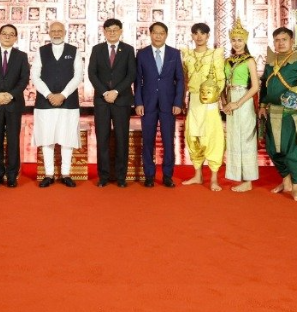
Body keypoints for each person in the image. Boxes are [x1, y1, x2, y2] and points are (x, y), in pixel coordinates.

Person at [259, 27, 297, 201]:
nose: (280, 43)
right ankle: (286, 181)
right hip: (272, 112)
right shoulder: (270, 62)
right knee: (274, 149)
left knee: (296, 150)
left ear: (292, 41)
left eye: (284, 39)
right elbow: (264, 86)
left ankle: (296, 187)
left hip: (292, 113)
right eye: (277, 40)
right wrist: (262, 105)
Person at [32, 21, 82, 188]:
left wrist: (63, 95)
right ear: (49, 32)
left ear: (65, 32)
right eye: (53, 30)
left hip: (68, 102)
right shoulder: (41, 51)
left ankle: (66, 174)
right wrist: (48, 95)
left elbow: (78, 76)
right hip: (45, 102)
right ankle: (49, 174)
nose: (56, 33)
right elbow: (35, 76)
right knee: (47, 138)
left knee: (67, 138)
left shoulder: (74, 51)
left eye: (59, 30)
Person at [135, 22, 184, 187]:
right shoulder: (142, 54)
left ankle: (168, 175)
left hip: (168, 104)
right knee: (147, 141)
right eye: (155, 33)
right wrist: (138, 102)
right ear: (150, 34)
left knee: (168, 140)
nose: (158, 36)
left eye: (161, 33)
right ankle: (149, 175)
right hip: (147, 104)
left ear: (166, 35)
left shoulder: (174, 54)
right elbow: (138, 81)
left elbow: (180, 80)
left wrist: (178, 102)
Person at [87, 18, 135, 188]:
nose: (112, 32)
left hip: (121, 100)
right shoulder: (97, 49)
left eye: (115, 29)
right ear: (104, 32)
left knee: (122, 138)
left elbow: (131, 74)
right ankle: (104, 176)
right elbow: (92, 73)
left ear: (121, 31)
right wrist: (105, 92)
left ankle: (121, 177)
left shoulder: (128, 50)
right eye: (109, 30)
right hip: (102, 100)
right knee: (103, 138)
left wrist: (116, 92)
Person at [0, 24, 29, 188]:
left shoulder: (21, 56)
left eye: (11, 34)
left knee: (13, 141)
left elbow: (24, 79)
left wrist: (10, 95)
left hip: (13, 103)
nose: (7, 36)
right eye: (4, 34)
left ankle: (12, 175)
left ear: (16, 37)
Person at [180, 22, 224, 190]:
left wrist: (215, 96)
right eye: (195, 33)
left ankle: (214, 178)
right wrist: (183, 98)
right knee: (193, 135)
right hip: (194, 99)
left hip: (210, 101)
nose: (199, 37)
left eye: (202, 34)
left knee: (211, 136)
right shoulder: (187, 56)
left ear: (207, 36)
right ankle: (197, 175)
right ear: (192, 35)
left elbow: (221, 79)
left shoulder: (215, 55)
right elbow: (184, 79)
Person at [222, 19, 260, 192]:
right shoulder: (227, 61)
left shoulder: (249, 60)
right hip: (230, 100)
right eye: (234, 40)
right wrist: (224, 103)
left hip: (243, 100)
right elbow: (223, 84)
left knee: (246, 139)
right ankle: (237, 175)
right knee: (233, 139)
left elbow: (255, 87)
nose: (236, 43)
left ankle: (248, 180)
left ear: (245, 41)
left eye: (240, 40)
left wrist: (238, 102)